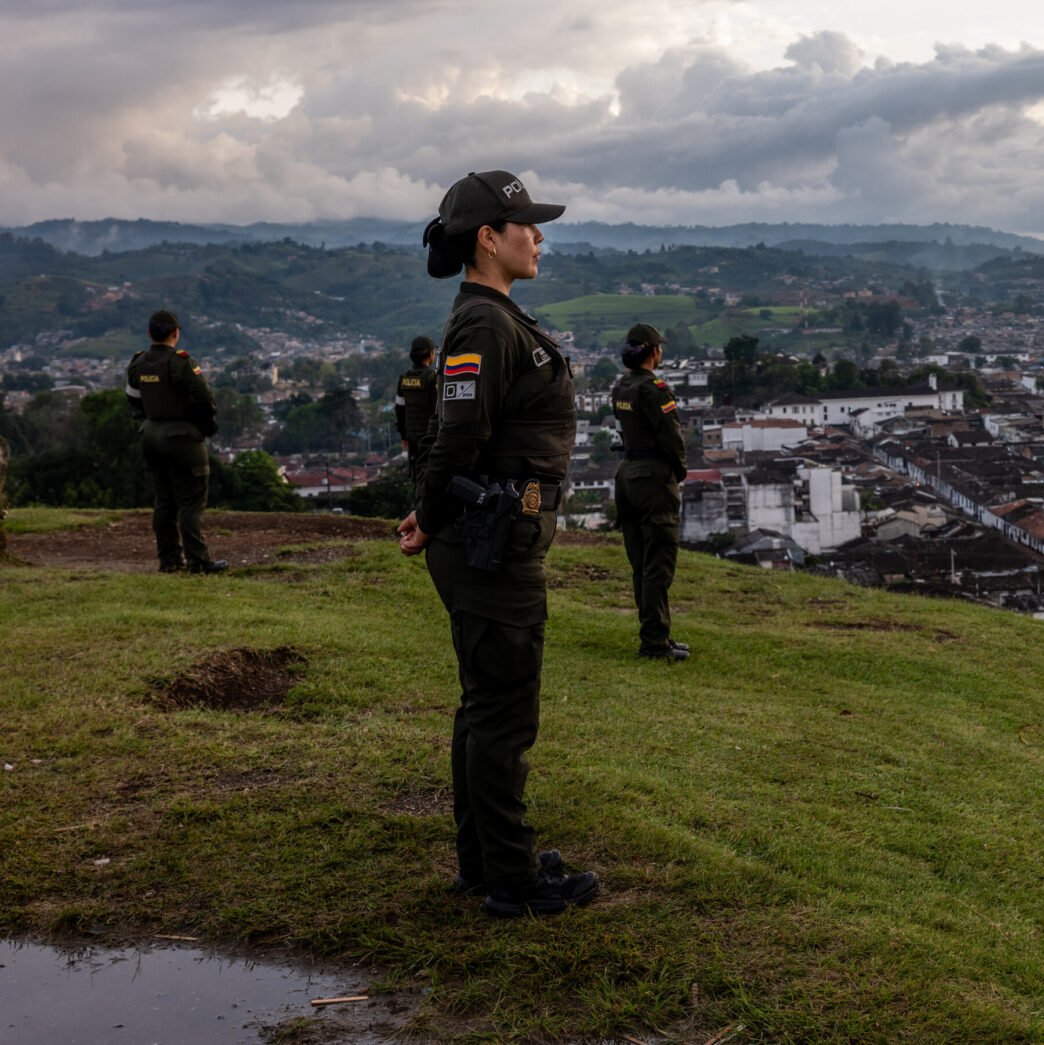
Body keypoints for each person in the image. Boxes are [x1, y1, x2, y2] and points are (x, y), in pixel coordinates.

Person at [397, 170, 598, 918]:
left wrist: (430, 514)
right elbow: (458, 437)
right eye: (526, 225)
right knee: (505, 710)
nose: (538, 236)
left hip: (490, 536)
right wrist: (429, 514)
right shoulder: (485, 324)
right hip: (490, 541)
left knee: (484, 705)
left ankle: (487, 860)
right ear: (490, 237)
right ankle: (511, 877)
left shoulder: (495, 319)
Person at [125, 310, 228, 575]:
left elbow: (133, 397)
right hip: (182, 438)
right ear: (176, 333)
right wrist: (205, 427)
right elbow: (204, 398)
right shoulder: (181, 362)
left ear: (150, 334)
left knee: (164, 501)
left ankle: (169, 560)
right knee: (191, 502)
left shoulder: (138, 363)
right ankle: (198, 561)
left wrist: (148, 417)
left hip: (150, 435)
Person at [611, 323, 689, 660]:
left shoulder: (621, 387)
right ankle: (655, 641)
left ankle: (656, 633)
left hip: (627, 474)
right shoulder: (655, 390)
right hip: (653, 478)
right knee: (659, 561)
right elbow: (671, 438)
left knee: (641, 562)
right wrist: (679, 470)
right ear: (653, 352)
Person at [394, 336, 438, 478]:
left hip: (411, 435)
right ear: (431, 353)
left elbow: (399, 409)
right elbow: (437, 409)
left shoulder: (404, 379)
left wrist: (403, 435)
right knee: (429, 473)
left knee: (416, 473)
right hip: (429, 436)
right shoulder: (432, 378)